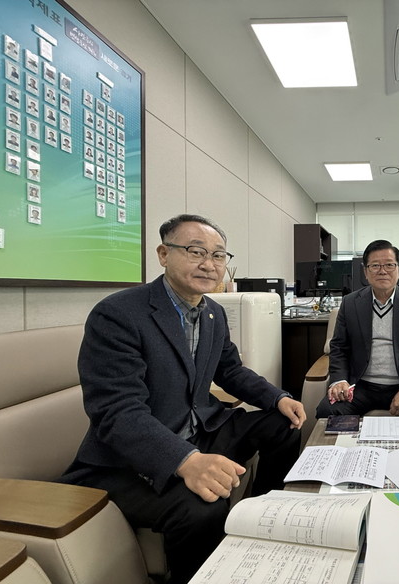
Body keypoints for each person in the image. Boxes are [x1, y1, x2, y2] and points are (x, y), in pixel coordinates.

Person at [60, 214, 306, 584]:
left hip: (200, 429)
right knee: (202, 508)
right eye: (196, 251)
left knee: (283, 425)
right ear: (163, 254)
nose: (209, 264)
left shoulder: (213, 312)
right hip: (129, 458)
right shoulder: (118, 314)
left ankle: (260, 517)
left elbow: (230, 370)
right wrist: (185, 460)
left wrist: (277, 397)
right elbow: (117, 411)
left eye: (218, 255)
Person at [316, 239, 399, 418]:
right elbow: (339, 347)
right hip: (362, 385)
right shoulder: (350, 304)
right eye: (375, 265)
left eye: (389, 265)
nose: (382, 271)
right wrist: (339, 379)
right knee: (327, 412)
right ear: (366, 272)